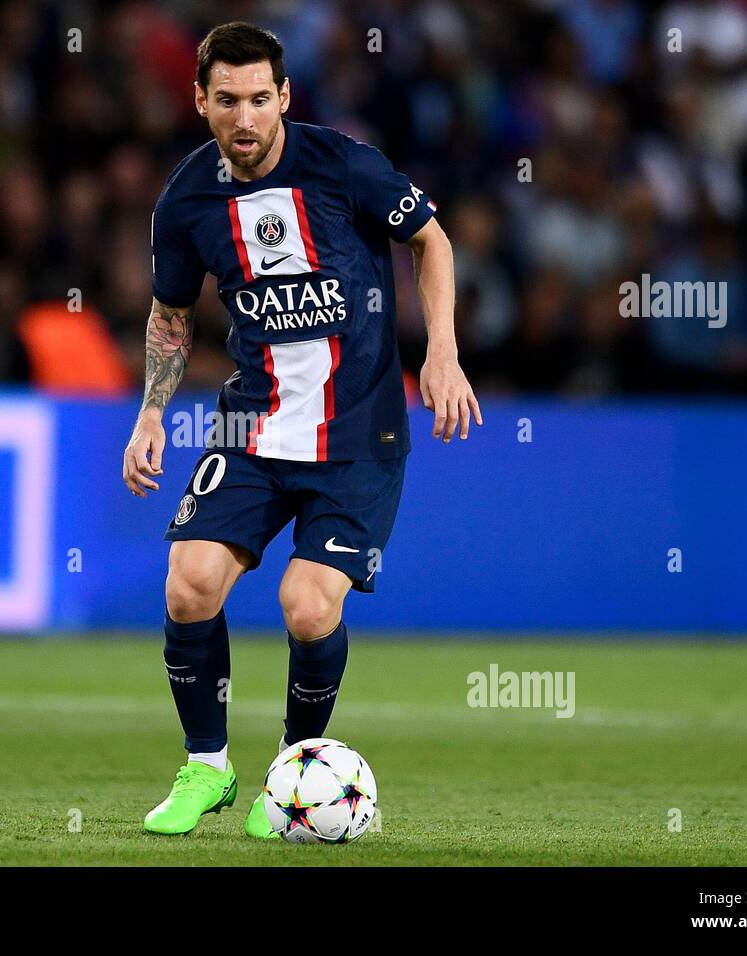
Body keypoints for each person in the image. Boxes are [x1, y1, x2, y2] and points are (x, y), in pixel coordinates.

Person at [122, 21, 481, 838]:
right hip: (253, 421)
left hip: (357, 432)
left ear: (284, 96)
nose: (243, 118)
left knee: (308, 607)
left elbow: (431, 239)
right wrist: (152, 410)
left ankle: (293, 774)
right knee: (189, 582)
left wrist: (445, 351)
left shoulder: (344, 165)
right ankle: (206, 768)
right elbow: (171, 313)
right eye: (226, 101)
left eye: (259, 99)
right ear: (201, 101)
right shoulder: (185, 200)